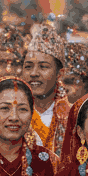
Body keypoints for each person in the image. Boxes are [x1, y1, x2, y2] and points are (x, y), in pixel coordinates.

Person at [21, 23, 71, 155]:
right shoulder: (10, 114)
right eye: (28, 67)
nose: (34, 73)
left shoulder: (75, 116)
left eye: (43, 67)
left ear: (60, 74)